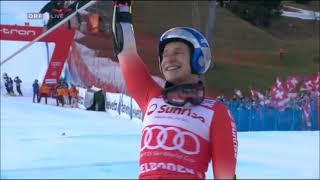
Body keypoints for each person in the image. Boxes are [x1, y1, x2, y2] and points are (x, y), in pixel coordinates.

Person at [111, 1, 238, 179]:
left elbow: (225, 175)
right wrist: (122, 7)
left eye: (178, 52)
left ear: (197, 59)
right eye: (165, 54)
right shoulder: (151, 97)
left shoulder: (216, 112)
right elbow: (125, 52)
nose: (169, 59)